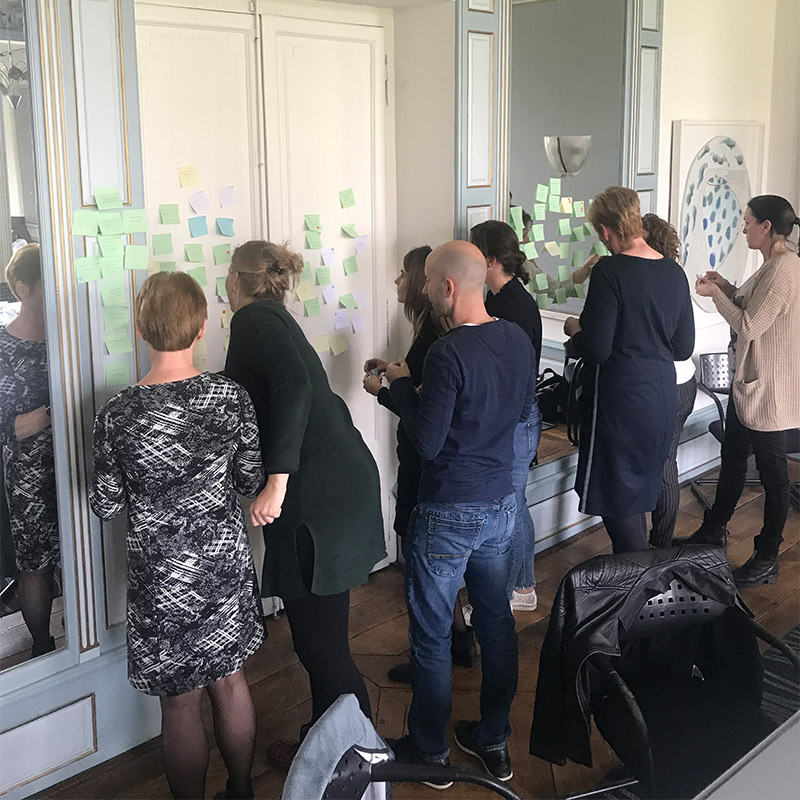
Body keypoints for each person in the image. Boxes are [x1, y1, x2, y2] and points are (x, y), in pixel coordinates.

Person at [90, 272, 265, 800]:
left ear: (141, 330)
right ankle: (242, 790)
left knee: (180, 702)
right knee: (230, 681)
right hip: (223, 561)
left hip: (161, 575)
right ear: (202, 327)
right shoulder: (230, 397)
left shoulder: (117, 414)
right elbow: (250, 481)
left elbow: (105, 505)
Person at [223, 240, 386, 767]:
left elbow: (294, 386)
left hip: (315, 500)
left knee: (322, 649)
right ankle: (324, 749)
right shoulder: (275, 319)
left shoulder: (254, 319)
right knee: (321, 641)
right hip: (333, 487)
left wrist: (277, 481)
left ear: (234, 281)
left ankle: (364, 769)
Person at [384, 241, 536, 785]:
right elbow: (521, 411)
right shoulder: (516, 338)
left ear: (448, 287)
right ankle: (493, 740)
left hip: (448, 509)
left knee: (431, 636)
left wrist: (399, 386)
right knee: (496, 625)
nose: (424, 290)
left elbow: (427, 443)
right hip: (500, 506)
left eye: (429, 282)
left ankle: (430, 754)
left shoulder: (447, 353)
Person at [362, 247, 478, 682]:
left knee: (421, 565)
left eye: (404, 275)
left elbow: (422, 415)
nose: (398, 282)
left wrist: (382, 391)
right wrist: (393, 374)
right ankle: (460, 640)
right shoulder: (431, 332)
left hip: (424, 464)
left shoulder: (435, 338)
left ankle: (432, 659)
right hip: (444, 470)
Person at [675, 195, 800, 587]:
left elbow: (748, 325)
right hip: (749, 386)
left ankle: (767, 557)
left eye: (747, 223)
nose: (743, 228)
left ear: (766, 226)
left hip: (768, 393)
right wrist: (724, 285)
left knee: (774, 479)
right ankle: (714, 530)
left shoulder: (784, 270)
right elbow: (748, 301)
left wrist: (715, 296)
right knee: (732, 460)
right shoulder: (772, 265)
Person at [563, 187, 694, 554]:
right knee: (638, 492)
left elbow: (597, 348)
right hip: (662, 397)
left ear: (605, 230)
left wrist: (575, 334)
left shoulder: (610, 271)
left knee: (618, 500)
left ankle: (641, 580)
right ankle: (642, 575)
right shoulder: (674, 272)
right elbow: (683, 347)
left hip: (620, 401)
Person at [470, 220, 542, 611]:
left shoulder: (512, 306)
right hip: (515, 417)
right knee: (514, 502)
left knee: (511, 505)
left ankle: (515, 591)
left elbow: (512, 371)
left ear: (491, 260)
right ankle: (521, 587)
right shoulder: (500, 298)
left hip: (516, 420)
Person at [0, 244, 59, 659]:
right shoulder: (2, 347)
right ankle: (43, 646)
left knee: (85, 551)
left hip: (76, 463)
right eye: (46, 284)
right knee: (36, 563)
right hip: (27, 479)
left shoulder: (67, 337)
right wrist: (49, 415)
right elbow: (10, 427)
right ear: (23, 289)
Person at [641, 213, 698, 547]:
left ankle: (651, 547)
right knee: (667, 462)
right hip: (684, 382)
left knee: (653, 465)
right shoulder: (676, 276)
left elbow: (679, 345)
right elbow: (684, 344)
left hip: (661, 385)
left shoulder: (643, 281)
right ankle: (660, 542)